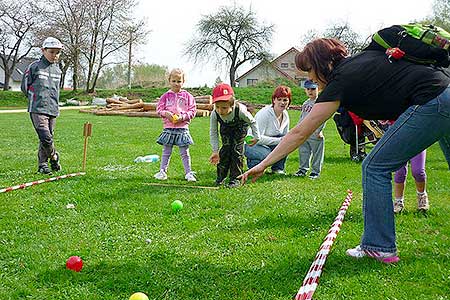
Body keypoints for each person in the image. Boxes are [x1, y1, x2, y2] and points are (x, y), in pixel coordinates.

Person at [240, 38, 450, 263]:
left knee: (374, 167)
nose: (309, 78)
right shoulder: (363, 58)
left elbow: (299, 133)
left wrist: (263, 164)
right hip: (445, 90)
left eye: (309, 70)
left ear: (321, 63)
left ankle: (379, 246)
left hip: (433, 101)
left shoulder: (340, 81)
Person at [21, 37, 64, 175]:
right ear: (43, 51)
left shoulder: (58, 70)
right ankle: (54, 156)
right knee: (46, 137)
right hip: (37, 109)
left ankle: (43, 165)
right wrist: (36, 98)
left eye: (57, 52)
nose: (55, 55)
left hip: (52, 109)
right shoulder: (34, 67)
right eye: (51, 52)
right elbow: (24, 87)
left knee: (46, 138)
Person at [209, 83, 260, 188]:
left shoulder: (241, 111)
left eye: (224, 108)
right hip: (226, 128)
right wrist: (215, 151)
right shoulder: (215, 114)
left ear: (231, 104)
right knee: (225, 150)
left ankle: (236, 179)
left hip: (240, 127)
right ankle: (220, 178)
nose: (220, 111)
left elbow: (253, 122)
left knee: (236, 151)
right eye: (217, 107)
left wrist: (257, 137)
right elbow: (213, 132)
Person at [154, 68, 197, 182]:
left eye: (179, 81)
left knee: (185, 152)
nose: (176, 84)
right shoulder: (165, 96)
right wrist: (166, 114)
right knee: (166, 151)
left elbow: (192, 111)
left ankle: (188, 173)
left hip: (182, 128)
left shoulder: (188, 96)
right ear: (169, 81)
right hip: (168, 128)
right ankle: (162, 171)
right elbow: (159, 110)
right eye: (174, 81)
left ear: (183, 82)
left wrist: (182, 117)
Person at [244, 85, 291, 175]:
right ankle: (253, 165)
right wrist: (279, 141)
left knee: (286, 145)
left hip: (269, 143)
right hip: (251, 143)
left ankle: (278, 169)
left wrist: (283, 141)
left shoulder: (285, 115)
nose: (282, 102)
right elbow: (257, 138)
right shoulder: (264, 114)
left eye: (285, 100)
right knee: (268, 155)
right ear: (274, 100)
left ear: (289, 102)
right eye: (279, 99)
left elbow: (286, 136)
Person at [294, 80, 325, 179]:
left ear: (318, 89)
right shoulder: (306, 103)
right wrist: (298, 128)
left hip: (315, 132)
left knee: (317, 153)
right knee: (303, 151)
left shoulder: (320, 103)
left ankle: (315, 172)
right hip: (304, 132)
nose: (310, 91)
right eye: (308, 89)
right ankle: (303, 169)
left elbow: (323, 118)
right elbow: (302, 117)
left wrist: (319, 130)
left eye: (313, 89)